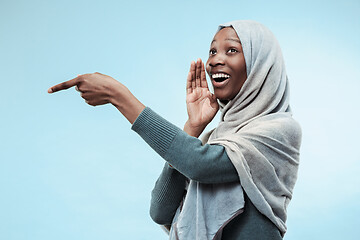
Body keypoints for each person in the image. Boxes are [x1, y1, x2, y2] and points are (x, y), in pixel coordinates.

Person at [48, 20, 302, 240]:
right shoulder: (216, 139)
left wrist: (120, 97)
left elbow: (200, 165)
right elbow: (160, 210)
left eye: (232, 50)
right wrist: (192, 128)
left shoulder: (280, 128)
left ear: (261, 65)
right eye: (212, 51)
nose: (215, 60)